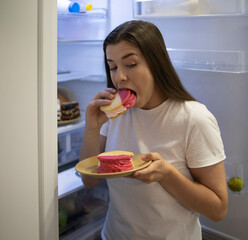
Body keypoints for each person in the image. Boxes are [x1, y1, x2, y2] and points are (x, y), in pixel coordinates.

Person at [79, 20, 228, 240]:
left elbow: (218, 210)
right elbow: (90, 181)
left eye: (130, 64)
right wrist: (92, 128)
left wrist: (167, 175)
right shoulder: (114, 116)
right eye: (113, 66)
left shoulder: (194, 118)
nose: (120, 77)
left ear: (157, 64)